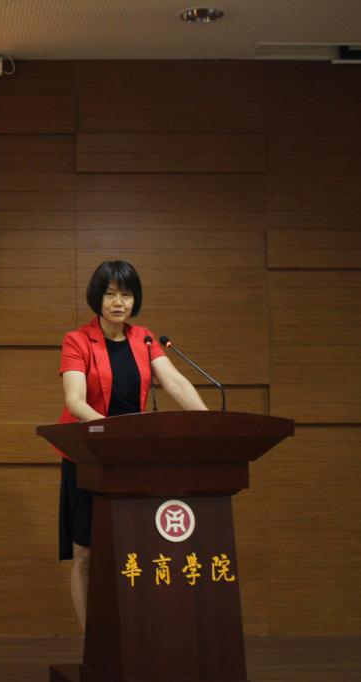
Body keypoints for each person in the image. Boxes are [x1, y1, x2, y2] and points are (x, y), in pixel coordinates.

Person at [58, 260, 208, 630]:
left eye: (126, 294)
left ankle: (133, 632)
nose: (118, 302)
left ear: (135, 299)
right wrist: (113, 434)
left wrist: (208, 421)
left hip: (131, 459)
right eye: (110, 294)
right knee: (85, 552)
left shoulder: (144, 339)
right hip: (88, 456)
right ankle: (91, 639)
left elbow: (175, 382)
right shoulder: (77, 340)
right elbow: (75, 401)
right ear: (97, 297)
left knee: (135, 546)